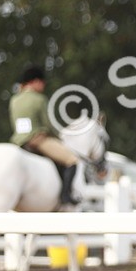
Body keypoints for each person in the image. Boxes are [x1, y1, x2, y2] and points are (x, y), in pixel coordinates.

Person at [9, 66, 80, 205]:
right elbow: (48, 124)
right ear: (35, 81)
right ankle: (65, 195)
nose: (43, 85)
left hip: (17, 141)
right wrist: (58, 137)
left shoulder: (14, 100)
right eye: (42, 82)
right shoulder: (39, 99)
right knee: (72, 159)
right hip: (37, 140)